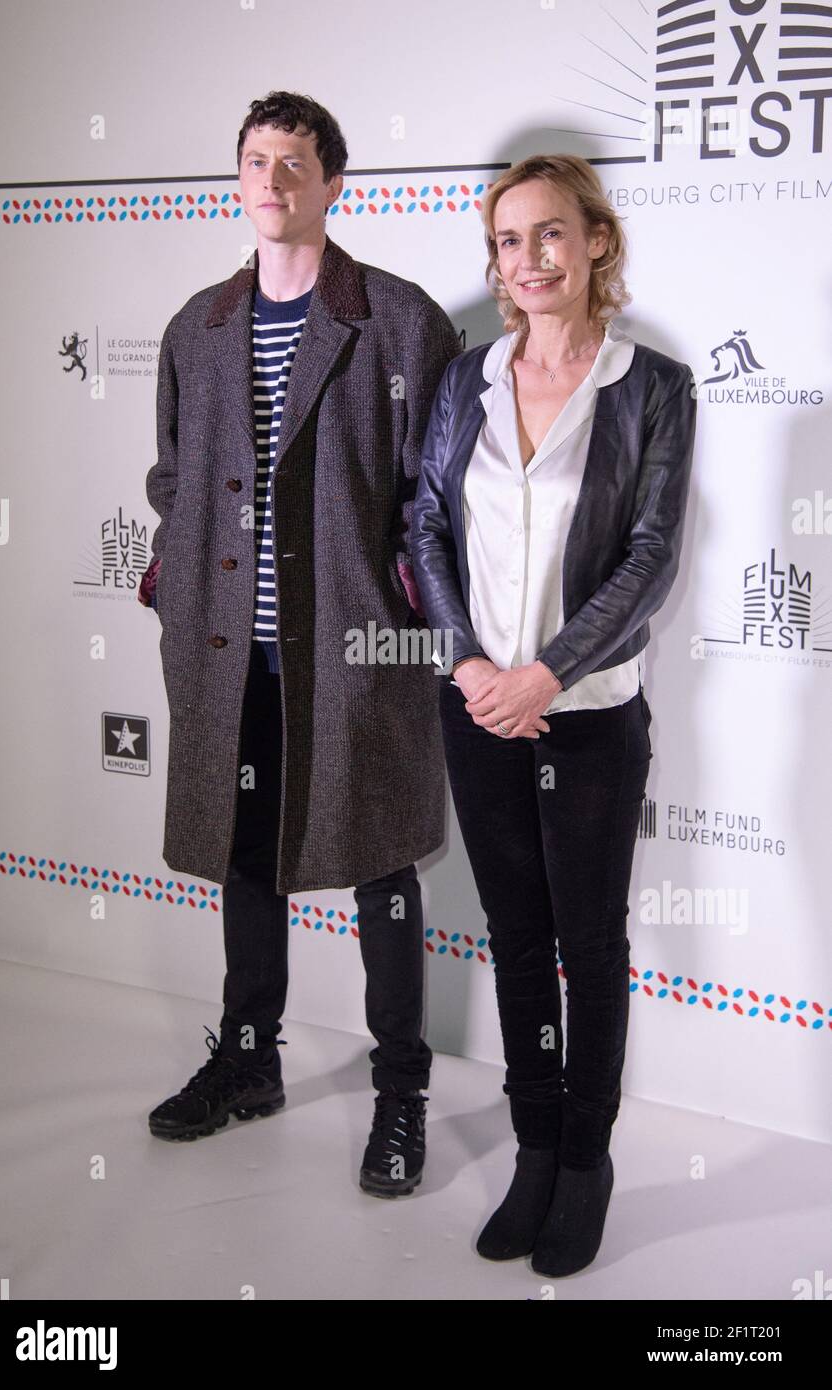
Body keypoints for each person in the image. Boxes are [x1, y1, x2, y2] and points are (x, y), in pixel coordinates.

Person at [138, 92, 461, 1197]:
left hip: (356, 653)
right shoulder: (198, 326)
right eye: (253, 160)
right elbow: (174, 475)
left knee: (379, 863)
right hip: (232, 653)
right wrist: (180, 574)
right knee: (241, 853)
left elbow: (437, 494)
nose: (271, 178)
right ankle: (246, 1060)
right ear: (237, 178)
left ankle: (401, 1093)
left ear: (334, 184)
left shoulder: (401, 321)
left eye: (294, 161)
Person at [410, 154, 696, 1274]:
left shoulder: (651, 387)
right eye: (504, 242)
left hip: (586, 714)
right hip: (476, 705)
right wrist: (473, 664)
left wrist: (549, 671)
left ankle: (586, 1160)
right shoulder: (462, 379)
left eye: (546, 236)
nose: (523, 261)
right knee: (517, 943)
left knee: (588, 942)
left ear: (593, 246)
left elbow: (648, 555)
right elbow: (423, 526)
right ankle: (533, 1148)